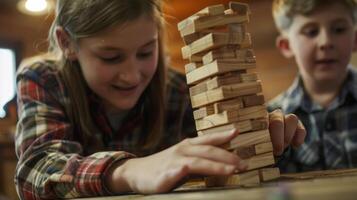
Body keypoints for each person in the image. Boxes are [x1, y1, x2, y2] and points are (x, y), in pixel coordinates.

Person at [15, 0, 306, 199]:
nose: (131, 75)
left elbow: (238, 146)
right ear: (67, 43)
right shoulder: (44, 78)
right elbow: (36, 168)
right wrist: (128, 171)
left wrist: (261, 135)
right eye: (111, 57)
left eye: (145, 52)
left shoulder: (180, 89)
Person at [269, 0, 357, 173]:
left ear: (355, 40)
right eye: (311, 32)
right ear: (286, 46)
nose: (325, 42)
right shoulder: (271, 121)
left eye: (339, 29)